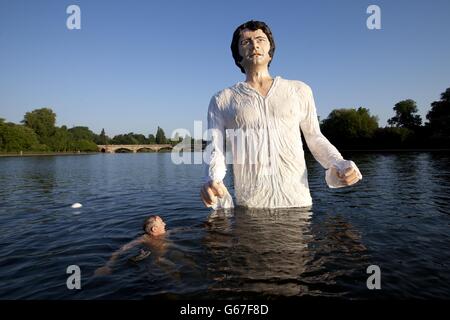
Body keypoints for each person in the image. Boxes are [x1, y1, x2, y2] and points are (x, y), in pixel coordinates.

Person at [200, 20, 362, 209]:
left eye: (260, 39)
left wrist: (339, 163)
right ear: (238, 56)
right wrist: (213, 178)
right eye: (246, 42)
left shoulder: (299, 90)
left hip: (297, 202)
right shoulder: (223, 99)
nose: (254, 45)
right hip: (252, 206)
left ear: (270, 50)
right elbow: (215, 149)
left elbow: (314, 137)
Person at [94, 215, 167, 276]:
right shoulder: (144, 239)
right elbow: (121, 250)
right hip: (155, 261)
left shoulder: (165, 233)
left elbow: (176, 230)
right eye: (161, 222)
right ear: (154, 229)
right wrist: (108, 265)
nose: (164, 224)